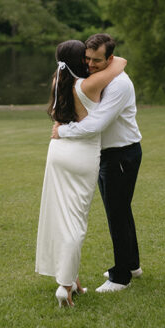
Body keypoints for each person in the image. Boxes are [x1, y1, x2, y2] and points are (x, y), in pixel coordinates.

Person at [35, 39, 127, 307]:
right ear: (80, 61)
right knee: (76, 222)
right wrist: (102, 57)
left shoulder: (57, 81)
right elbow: (119, 63)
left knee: (60, 216)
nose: (89, 62)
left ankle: (72, 281)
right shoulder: (88, 85)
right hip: (82, 155)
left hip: (57, 151)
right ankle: (64, 287)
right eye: (85, 58)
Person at [51, 33, 142, 294]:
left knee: (117, 212)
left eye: (97, 60)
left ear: (110, 59)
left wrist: (63, 132)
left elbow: (97, 124)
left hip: (121, 154)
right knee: (121, 210)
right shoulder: (102, 76)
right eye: (87, 59)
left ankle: (120, 277)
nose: (90, 65)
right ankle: (132, 265)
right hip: (111, 154)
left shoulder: (119, 85)